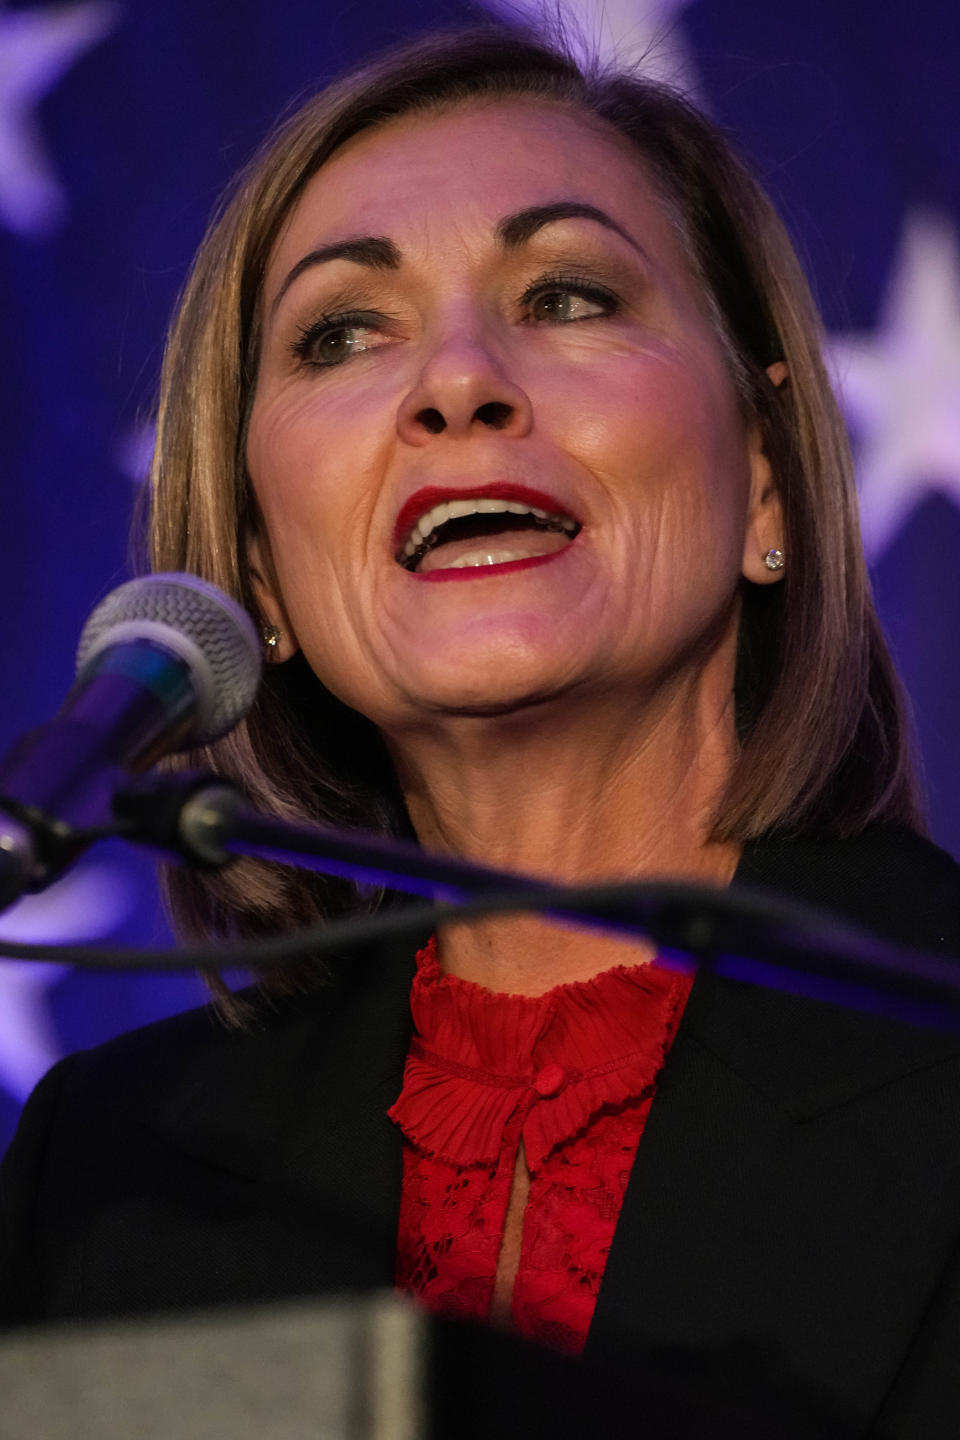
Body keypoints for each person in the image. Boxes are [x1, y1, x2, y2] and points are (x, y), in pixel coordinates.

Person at [1, 23, 959, 1434]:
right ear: (262, 575)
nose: (458, 382)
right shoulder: (105, 1169)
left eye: (567, 297)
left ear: (767, 482)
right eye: (342, 333)